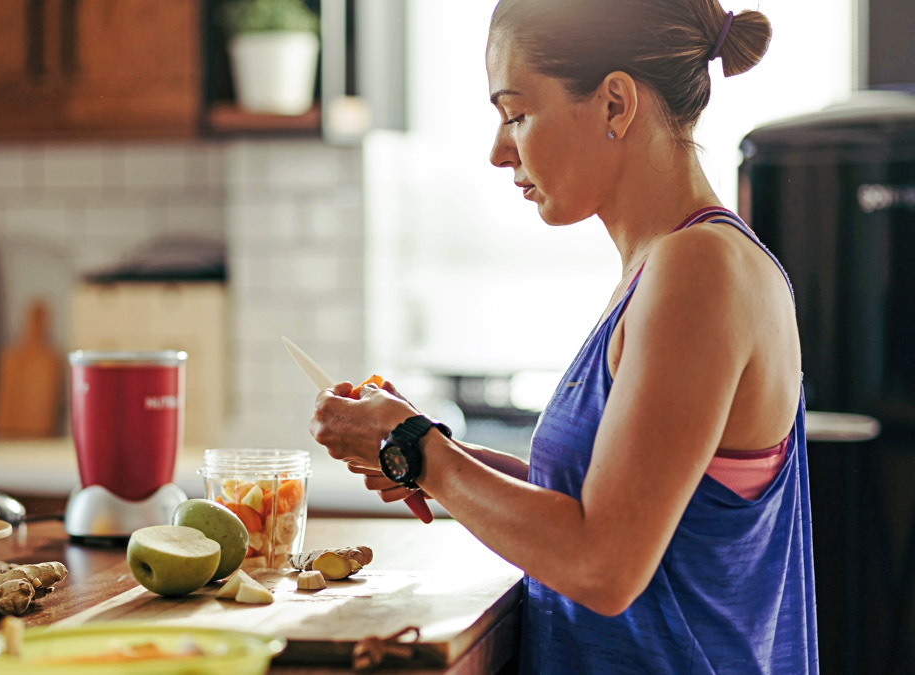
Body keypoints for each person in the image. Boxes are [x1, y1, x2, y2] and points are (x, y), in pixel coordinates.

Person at [308, 0, 817, 672]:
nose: (498, 151)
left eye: (516, 114)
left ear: (614, 104)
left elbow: (604, 563)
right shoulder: (667, 269)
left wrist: (421, 452)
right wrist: (425, 449)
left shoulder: (700, 271)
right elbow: (599, 503)